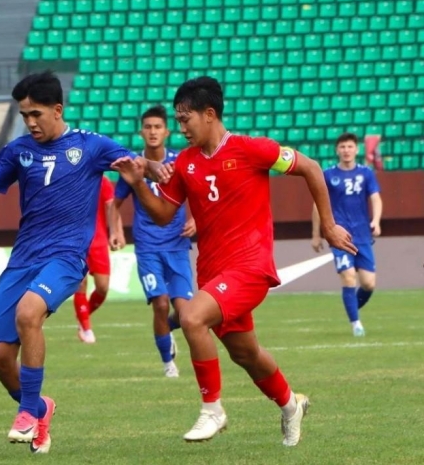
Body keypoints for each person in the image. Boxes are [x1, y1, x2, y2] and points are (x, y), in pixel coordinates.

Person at [111, 76, 355, 446]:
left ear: (209, 114)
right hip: (212, 271)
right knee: (247, 353)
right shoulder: (186, 163)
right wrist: (138, 184)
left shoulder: (252, 149)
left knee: (192, 317)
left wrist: (331, 225)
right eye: (176, 120)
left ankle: (213, 410)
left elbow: (312, 168)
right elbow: (163, 215)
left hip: (251, 266)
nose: (180, 128)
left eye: (185, 119)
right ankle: (291, 404)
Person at [0, 71, 137, 454]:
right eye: (24, 114)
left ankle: (27, 414)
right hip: (23, 257)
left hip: (65, 257)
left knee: (29, 313)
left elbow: (134, 164)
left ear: (58, 110)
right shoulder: (17, 151)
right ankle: (42, 407)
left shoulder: (90, 146)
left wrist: (147, 171)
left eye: (36, 114)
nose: (30, 122)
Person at [110, 105, 196, 378]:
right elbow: (114, 202)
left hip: (177, 245)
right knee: (160, 303)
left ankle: (167, 328)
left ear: (167, 131)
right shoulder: (133, 165)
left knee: (186, 313)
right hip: (147, 246)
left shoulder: (179, 162)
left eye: (158, 127)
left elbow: (197, 192)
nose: (153, 131)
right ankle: (168, 363)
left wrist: (197, 219)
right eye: (148, 127)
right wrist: (117, 231)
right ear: (141, 132)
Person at [311, 132, 382, 337]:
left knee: (368, 284)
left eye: (350, 147)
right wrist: (317, 234)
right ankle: (356, 324)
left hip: (362, 235)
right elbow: (317, 205)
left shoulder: (366, 174)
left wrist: (376, 220)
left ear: (356, 149)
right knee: (349, 277)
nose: (346, 150)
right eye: (342, 147)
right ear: (337, 150)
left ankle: (351, 308)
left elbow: (376, 198)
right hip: (339, 236)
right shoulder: (328, 175)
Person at [72, 175, 115, 344]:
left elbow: (111, 205)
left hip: (98, 240)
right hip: (75, 241)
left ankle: (83, 315)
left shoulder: (102, 181)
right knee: (80, 283)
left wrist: (115, 232)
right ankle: (86, 327)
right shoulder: (70, 179)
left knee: (102, 287)